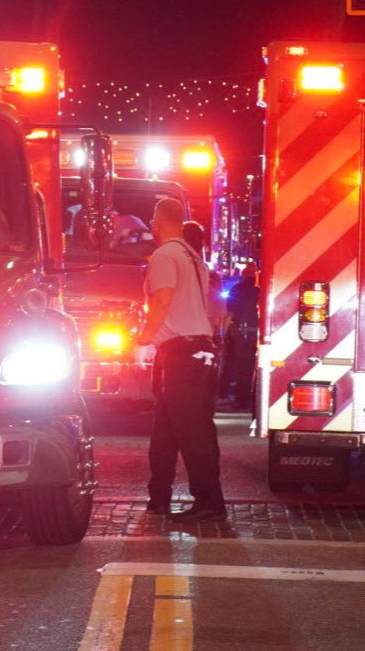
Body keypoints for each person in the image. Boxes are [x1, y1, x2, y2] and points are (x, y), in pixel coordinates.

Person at [137, 198, 225, 522]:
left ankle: (210, 503)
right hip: (199, 350)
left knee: (191, 431)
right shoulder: (193, 257)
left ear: (157, 220)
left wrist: (143, 337)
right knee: (170, 429)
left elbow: (162, 299)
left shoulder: (164, 255)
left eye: (151, 220)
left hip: (179, 352)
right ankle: (158, 497)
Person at [221, 266, 260, 409]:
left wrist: (224, 334)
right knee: (250, 366)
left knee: (239, 366)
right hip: (254, 332)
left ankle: (240, 398)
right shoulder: (258, 291)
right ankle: (248, 398)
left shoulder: (235, 290)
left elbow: (229, 314)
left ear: (242, 275)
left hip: (239, 332)